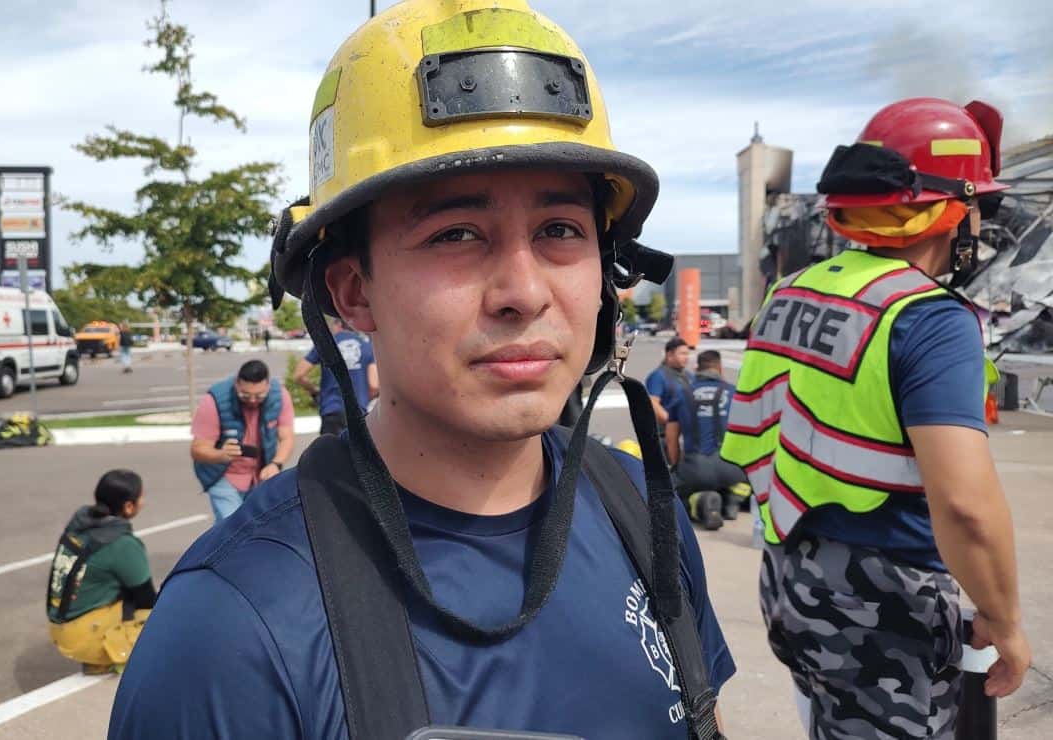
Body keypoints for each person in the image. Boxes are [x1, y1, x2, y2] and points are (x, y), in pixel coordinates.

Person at [110, 2, 733, 738]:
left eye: (560, 230)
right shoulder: (234, 629)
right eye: (458, 234)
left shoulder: (640, 510)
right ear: (352, 291)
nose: (524, 292)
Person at [721, 97, 1030, 738]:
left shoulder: (790, 291)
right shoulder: (930, 317)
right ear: (949, 209)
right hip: (883, 609)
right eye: (980, 204)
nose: (981, 222)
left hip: (790, 581)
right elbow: (967, 507)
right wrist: (1004, 621)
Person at [47, 469, 158, 675]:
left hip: (59, 627)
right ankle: (115, 655)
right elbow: (147, 600)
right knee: (163, 619)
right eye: (141, 497)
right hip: (81, 635)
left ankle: (98, 659)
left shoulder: (80, 521)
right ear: (128, 506)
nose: (144, 501)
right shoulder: (122, 543)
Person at [189, 359, 295, 521]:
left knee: (259, 527)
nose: (252, 400)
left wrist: (276, 464)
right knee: (231, 527)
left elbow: (287, 437)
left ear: (267, 385)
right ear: (237, 384)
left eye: (259, 396)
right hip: (223, 475)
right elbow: (197, 449)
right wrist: (220, 455)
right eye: (245, 395)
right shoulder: (215, 399)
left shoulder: (279, 396)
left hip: (260, 476)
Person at [664, 350, 748, 530]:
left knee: (667, 498)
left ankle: (700, 503)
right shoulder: (735, 393)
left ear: (696, 369)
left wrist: (677, 466)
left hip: (696, 469)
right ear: (719, 368)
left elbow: (671, 438)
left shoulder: (682, 394)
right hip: (731, 469)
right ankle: (734, 497)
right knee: (744, 482)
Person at [293, 317, 377, 435]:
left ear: (337, 324)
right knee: (357, 452)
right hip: (359, 412)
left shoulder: (326, 343)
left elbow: (298, 374)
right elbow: (374, 385)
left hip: (332, 409)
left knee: (332, 452)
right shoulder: (366, 346)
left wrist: (315, 391)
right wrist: (362, 398)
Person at [645, 336, 692, 425]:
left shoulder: (689, 375)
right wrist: (670, 423)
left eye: (687, 354)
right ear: (669, 355)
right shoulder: (658, 376)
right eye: (683, 354)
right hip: (666, 432)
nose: (687, 357)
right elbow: (653, 403)